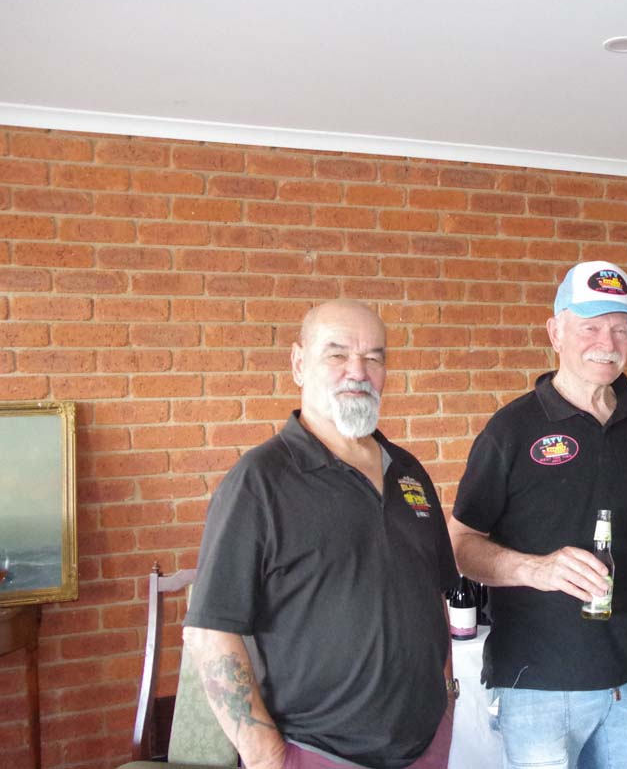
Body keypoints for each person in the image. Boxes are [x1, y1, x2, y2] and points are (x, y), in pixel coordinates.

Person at [183, 300, 459, 769]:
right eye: (337, 354)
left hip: (424, 749)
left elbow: (434, 595)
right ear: (298, 363)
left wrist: (447, 701)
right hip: (316, 754)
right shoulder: (259, 482)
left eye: (374, 357)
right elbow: (210, 631)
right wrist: (265, 756)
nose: (358, 372)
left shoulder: (408, 471)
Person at [448, 260, 627, 769]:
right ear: (555, 332)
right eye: (590, 327)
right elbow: (460, 544)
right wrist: (537, 569)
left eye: (621, 328)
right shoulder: (511, 429)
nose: (607, 342)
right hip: (540, 683)